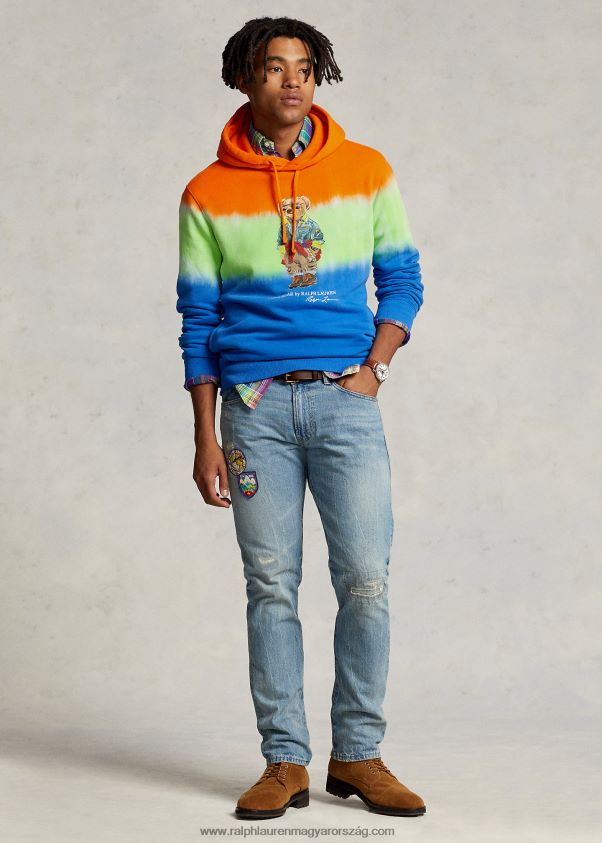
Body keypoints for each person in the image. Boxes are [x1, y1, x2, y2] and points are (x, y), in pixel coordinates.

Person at [176, 15, 427, 821]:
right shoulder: (206, 192)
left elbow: (403, 279)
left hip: (343, 403)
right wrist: (205, 436)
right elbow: (197, 319)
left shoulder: (365, 170)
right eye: (274, 66)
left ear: (319, 79)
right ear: (244, 78)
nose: (292, 81)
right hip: (253, 412)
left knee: (367, 580)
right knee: (269, 586)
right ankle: (284, 759)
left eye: (305, 67)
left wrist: (373, 371)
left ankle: (358, 753)